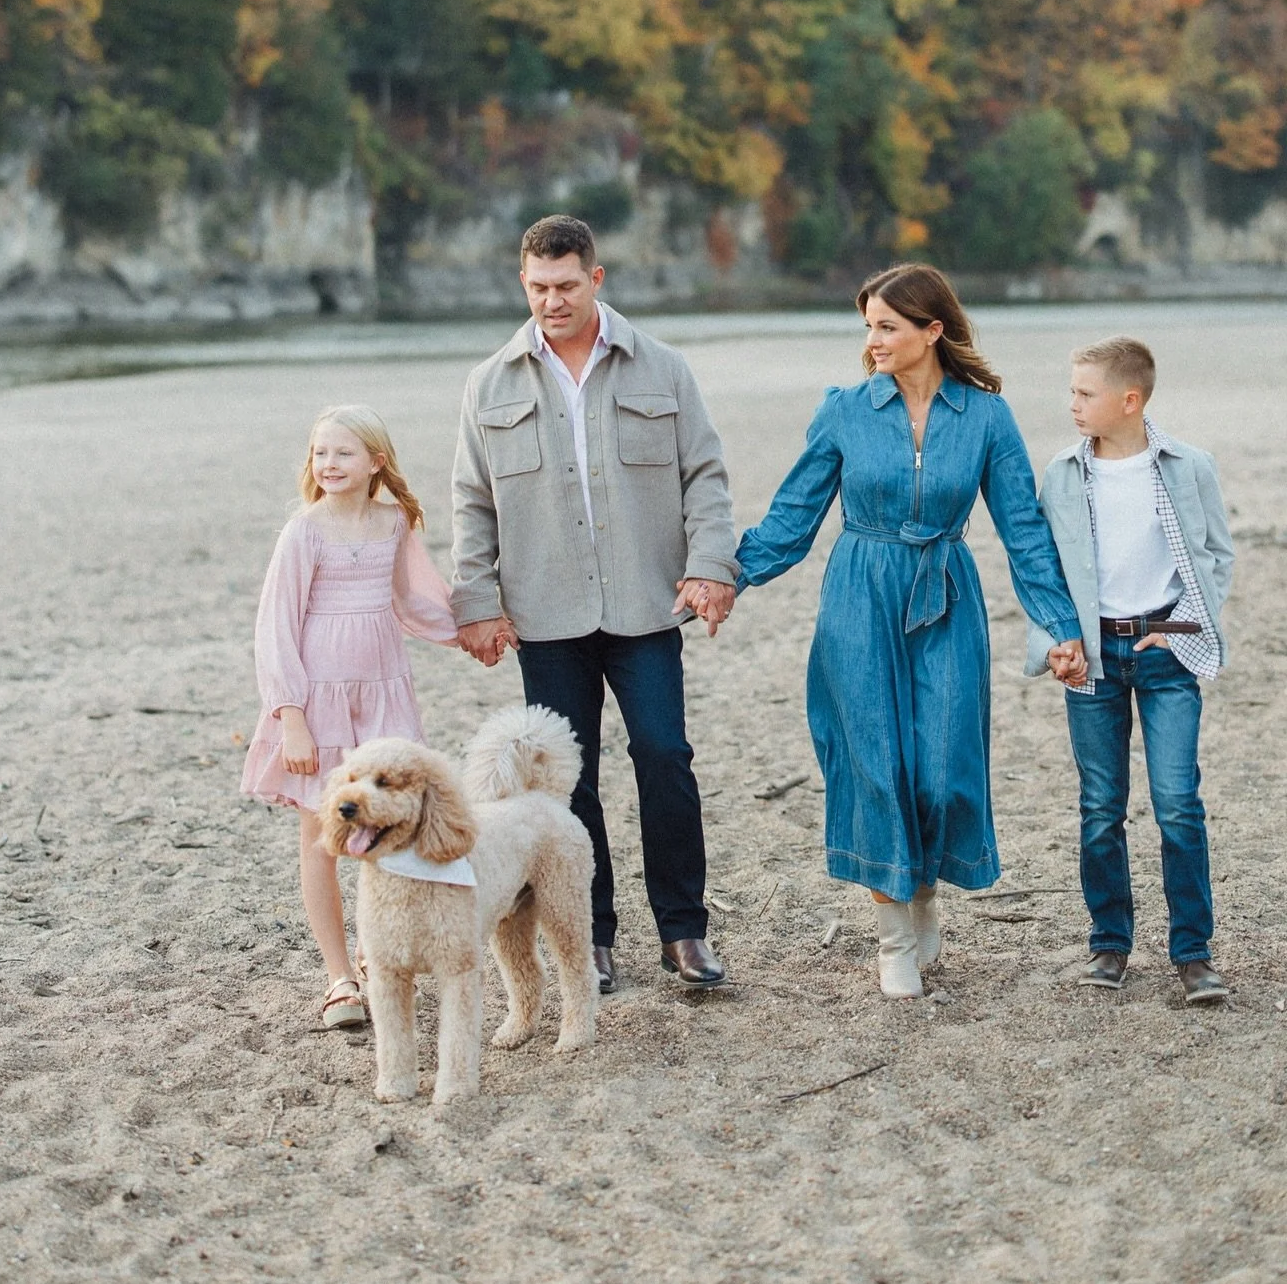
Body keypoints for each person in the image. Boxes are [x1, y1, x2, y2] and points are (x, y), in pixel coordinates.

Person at [734, 263, 1086, 999]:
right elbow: (794, 517)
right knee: (874, 766)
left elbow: (1022, 529)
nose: (873, 341)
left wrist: (1057, 623)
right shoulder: (844, 411)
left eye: (888, 326)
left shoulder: (986, 416)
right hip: (859, 596)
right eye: (868, 326)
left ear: (933, 331)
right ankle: (894, 938)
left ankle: (922, 893)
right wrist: (726, 578)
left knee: (942, 770)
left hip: (948, 596)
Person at [450, 215, 738, 993]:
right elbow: (472, 504)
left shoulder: (663, 369)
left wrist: (712, 567)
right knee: (567, 788)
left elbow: (705, 477)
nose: (553, 301)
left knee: (665, 758)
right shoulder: (491, 382)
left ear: (596, 279)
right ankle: (593, 938)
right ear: (523, 284)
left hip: (646, 609)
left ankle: (685, 933)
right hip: (545, 616)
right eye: (539, 288)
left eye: (567, 286)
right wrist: (475, 602)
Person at [241, 404, 470, 1029]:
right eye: (320, 453)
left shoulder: (394, 524)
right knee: (325, 838)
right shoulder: (304, 532)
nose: (329, 464)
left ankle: (379, 957)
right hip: (319, 699)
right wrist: (291, 716)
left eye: (343, 453)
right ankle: (339, 977)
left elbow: (416, 600)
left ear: (376, 460)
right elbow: (275, 629)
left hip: (384, 694)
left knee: (395, 827)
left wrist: (473, 632)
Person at [1027, 337, 1235, 1004]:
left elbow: (1217, 559)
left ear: (1130, 400)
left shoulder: (1186, 466)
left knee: (1177, 805)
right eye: (1072, 391)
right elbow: (1044, 571)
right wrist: (1058, 639)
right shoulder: (1062, 473)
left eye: (1085, 394)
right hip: (1093, 659)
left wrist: (1174, 631)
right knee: (1099, 809)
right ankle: (1110, 944)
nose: (1073, 404)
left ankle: (1193, 953)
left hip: (1165, 654)